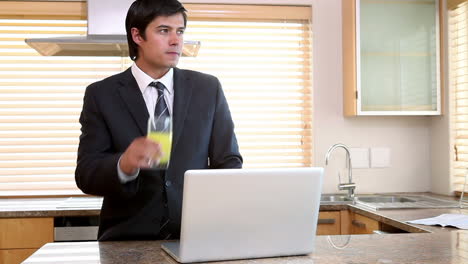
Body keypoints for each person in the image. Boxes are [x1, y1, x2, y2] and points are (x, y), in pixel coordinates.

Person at [75, 0, 242, 241]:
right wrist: (124, 164)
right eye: (164, 30)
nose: (176, 40)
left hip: (197, 238)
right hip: (126, 242)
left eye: (180, 31)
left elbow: (229, 162)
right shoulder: (101, 95)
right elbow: (86, 174)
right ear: (137, 35)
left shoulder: (208, 88)